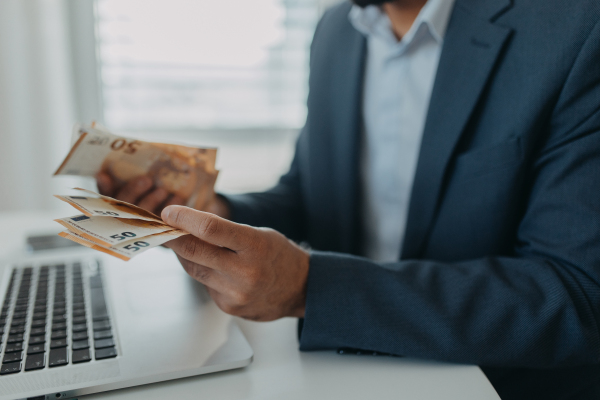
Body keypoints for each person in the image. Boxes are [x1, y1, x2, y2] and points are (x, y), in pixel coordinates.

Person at [97, 0, 600, 398]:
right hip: (342, 363)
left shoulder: (575, 29)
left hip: (491, 380)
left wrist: (309, 287)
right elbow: (309, 193)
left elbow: (577, 295)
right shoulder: (337, 30)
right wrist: (214, 217)